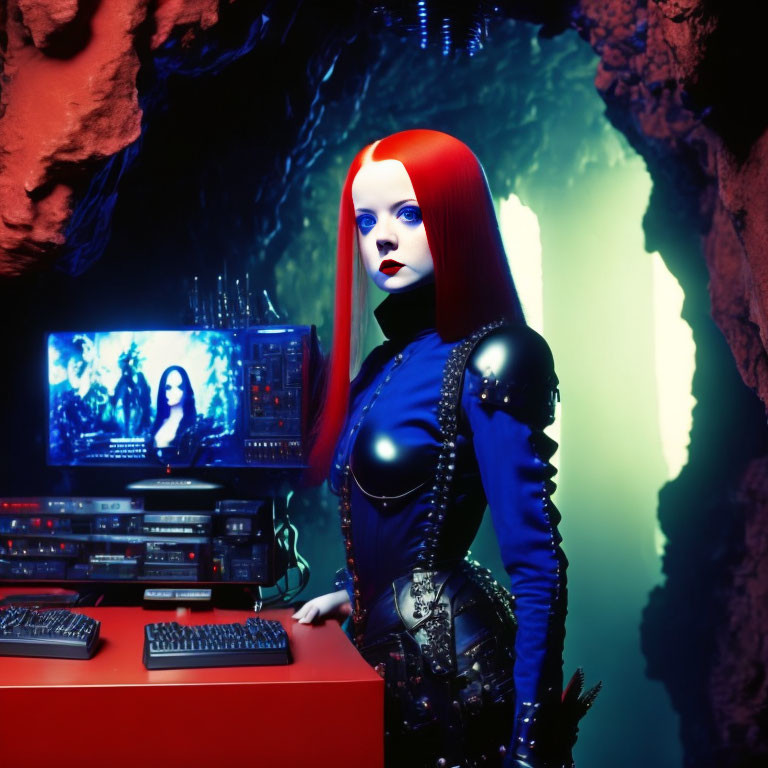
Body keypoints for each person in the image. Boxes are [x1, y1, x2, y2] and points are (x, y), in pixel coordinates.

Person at [294, 130, 595, 767]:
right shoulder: (379, 366)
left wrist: (530, 738)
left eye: (409, 214)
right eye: (366, 218)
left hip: (463, 682)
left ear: (454, 218)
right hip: (384, 668)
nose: (382, 237)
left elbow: (539, 564)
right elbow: (392, 516)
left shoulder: (495, 356)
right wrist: (353, 589)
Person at [151, 365, 198, 460]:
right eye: (168, 387)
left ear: (186, 390)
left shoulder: (192, 426)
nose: (173, 392)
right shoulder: (160, 422)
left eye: (179, 387)